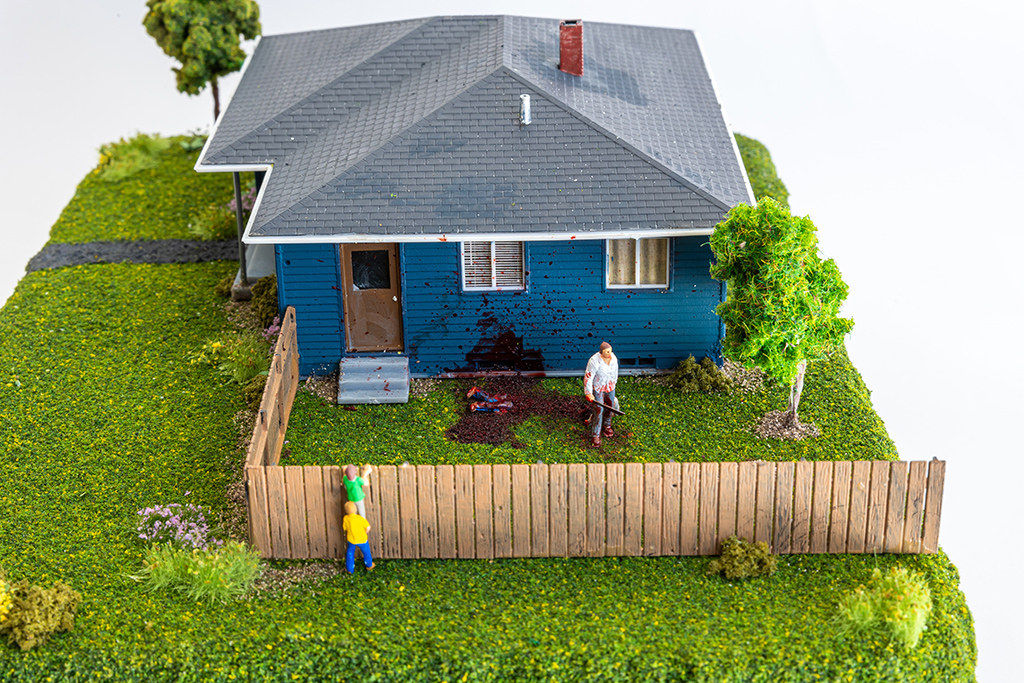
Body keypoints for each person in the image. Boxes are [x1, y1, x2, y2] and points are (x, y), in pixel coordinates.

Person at [583, 341, 619, 447]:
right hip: (598, 387)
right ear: (601, 352)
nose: (609, 353)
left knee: (610, 406)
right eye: (607, 352)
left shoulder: (613, 359)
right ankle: (595, 434)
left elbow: (615, 372)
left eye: (610, 351)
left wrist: (613, 383)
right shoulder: (594, 361)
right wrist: (589, 393)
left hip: (610, 386)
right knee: (599, 409)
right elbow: (589, 377)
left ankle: (607, 425)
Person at [342, 501, 375, 574]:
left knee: (350, 554)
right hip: (362, 539)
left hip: (351, 540)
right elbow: (368, 527)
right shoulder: (360, 518)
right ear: (355, 509)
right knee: (366, 552)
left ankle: (350, 569)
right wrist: (365, 532)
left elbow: (345, 528)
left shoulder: (346, 518)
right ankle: (369, 565)